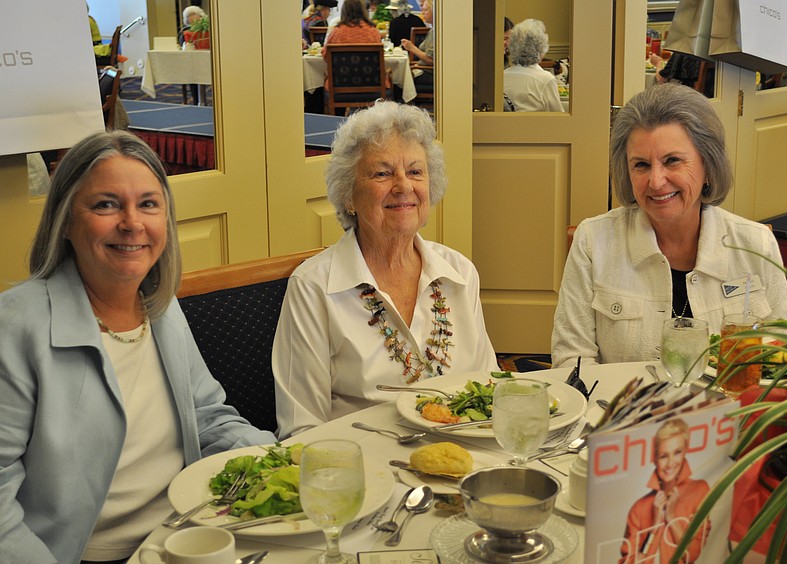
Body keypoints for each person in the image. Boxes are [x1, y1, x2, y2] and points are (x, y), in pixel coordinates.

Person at [0, 131, 277, 563]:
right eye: (106, 204)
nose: (132, 223)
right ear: (67, 220)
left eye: (148, 204)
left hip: (190, 533)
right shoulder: (16, 327)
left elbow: (206, 417)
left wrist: (280, 459)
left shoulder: (159, 306)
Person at [272, 101, 499, 436]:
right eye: (382, 173)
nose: (403, 185)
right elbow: (302, 428)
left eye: (416, 171)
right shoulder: (314, 287)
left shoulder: (460, 273)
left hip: (467, 455)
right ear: (348, 195)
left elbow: (490, 389)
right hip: (367, 472)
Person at [551, 83, 787, 368]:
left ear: (708, 166)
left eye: (673, 161)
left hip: (727, 410)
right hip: (623, 409)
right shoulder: (593, 241)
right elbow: (572, 360)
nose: (656, 181)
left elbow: (784, 359)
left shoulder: (754, 245)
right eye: (641, 165)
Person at [620, 419, 710, 563]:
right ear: (655, 459)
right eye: (663, 456)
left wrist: (672, 517)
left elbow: (692, 556)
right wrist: (654, 528)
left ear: (686, 451)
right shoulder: (639, 508)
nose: (670, 463)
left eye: (677, 452)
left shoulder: (700, 490)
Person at [503, 19, 564, 113]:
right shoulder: (546, 79)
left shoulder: (502, 76)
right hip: (535, 126)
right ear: (540, 48)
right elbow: (558, 117)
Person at [400, 0, 434, 92]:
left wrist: (411, 47)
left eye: (426, 10)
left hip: (430, 73)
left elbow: (431, 60)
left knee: (399, 77)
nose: (423, 13)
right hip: (423, 68)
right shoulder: (432, 30)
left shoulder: (436, 32)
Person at [178, 5, 208, 105]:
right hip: (191, 62)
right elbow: (182, 45)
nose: (191, 18)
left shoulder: (208, 30)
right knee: (192, 74)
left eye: (193, 15)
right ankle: (196, 101)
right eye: (188, 17)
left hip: (206, 60)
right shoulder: (184, 32)